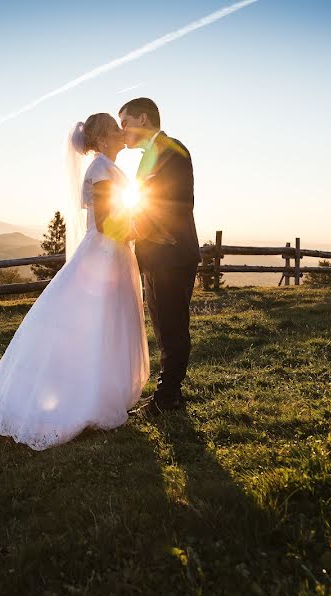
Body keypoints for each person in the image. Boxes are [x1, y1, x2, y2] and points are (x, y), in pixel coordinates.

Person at [0, 113, 149, 450]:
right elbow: (103, 223)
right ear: (100, 140)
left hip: (116, 256)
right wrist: (139, 232)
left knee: (112, 324)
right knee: (96, 323)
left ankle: (106, 390)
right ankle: (81, 400)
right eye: (115, 128)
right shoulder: (100, 168)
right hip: (103, 256)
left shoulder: (112, 168)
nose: (121, 131)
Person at [119, 98, 200, 414]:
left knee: (171, 328)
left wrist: (140, 230)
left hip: (171, 254)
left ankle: (166, 399)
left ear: (143, 119)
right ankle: (172, 394)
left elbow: (175, 200)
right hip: (161, 255)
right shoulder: (152, 153)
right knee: (167, 327)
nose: (123, 130)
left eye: (125, 122)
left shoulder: (171, 150)